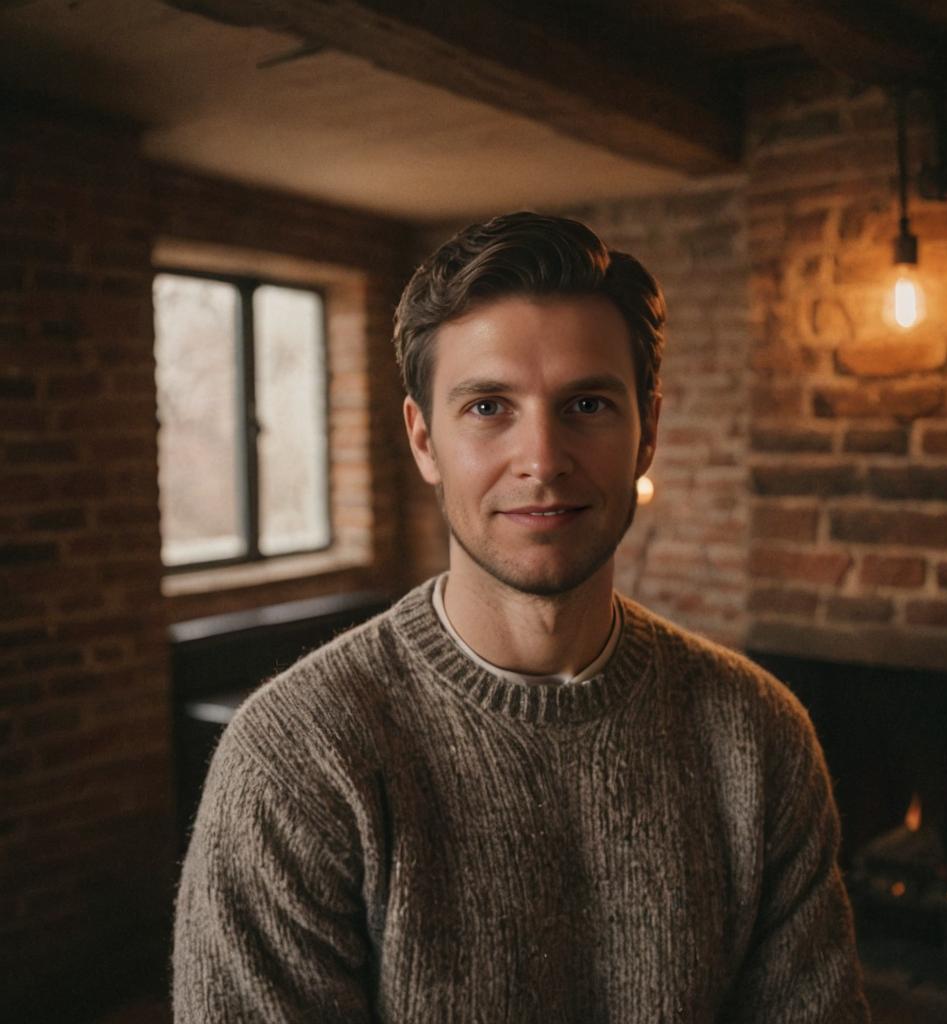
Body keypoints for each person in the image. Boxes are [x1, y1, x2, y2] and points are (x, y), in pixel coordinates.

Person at [173, 211, 869, 1022]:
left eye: (587, 404)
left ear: (647, 432)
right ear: (423, 438)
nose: (542, 458)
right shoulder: (297, 763)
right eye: (488, 407)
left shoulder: (758, 736)